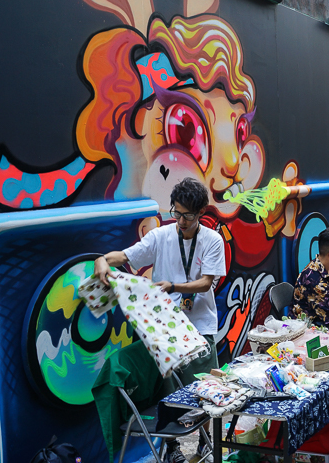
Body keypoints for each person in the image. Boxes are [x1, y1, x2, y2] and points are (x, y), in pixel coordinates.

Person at [94, 178, 226, 463]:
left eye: (187, 215)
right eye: (175, 212)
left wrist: (173, 287)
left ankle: (205, 443)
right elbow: (127, 255)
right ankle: (173, 449)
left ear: (201, 211)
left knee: (204, 393)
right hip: (165, 330)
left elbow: (205, 283)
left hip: (200, 326)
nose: (180, 220)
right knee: (171, 394)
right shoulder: (161, 236)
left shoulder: (212, 241)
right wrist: (103, 260)